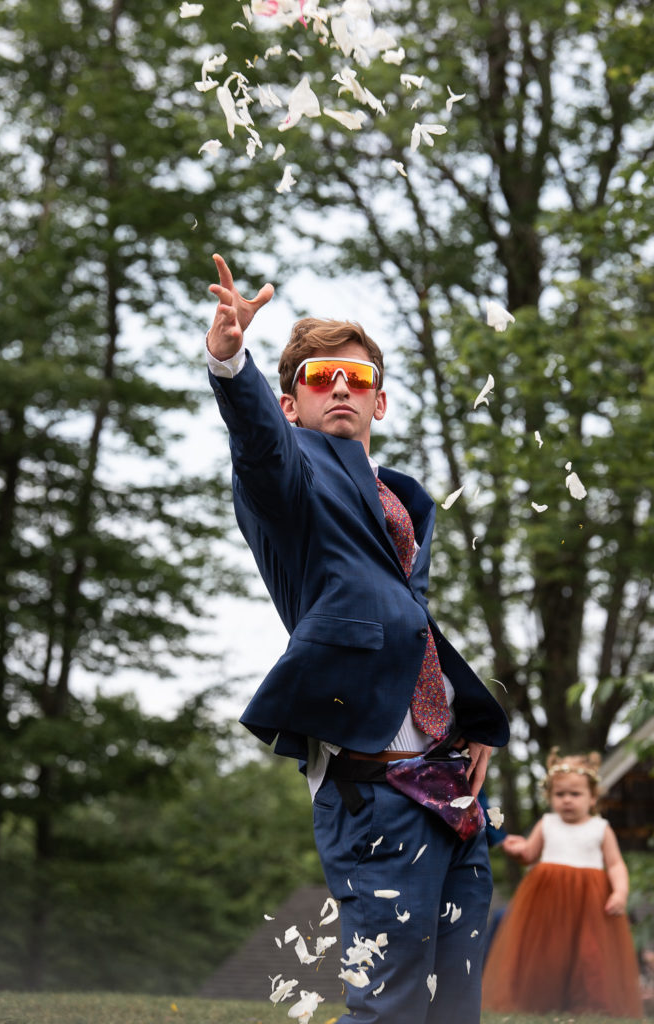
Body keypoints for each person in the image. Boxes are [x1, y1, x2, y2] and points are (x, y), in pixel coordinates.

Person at [206, 253, 509, 1023]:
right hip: (371, 787)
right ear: (290, 402)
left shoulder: (401, 500)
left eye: (357, 377)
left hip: (448, 787)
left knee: (452, 1002)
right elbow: (257, 445)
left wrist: (469, 721)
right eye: (318, 377)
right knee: (391, 1003)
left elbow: (410, 624)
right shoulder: (287, 479)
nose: (340, 385)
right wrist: (229, 361)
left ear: (379, 403)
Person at [482, 748, 643, 1018]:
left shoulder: (600, 828)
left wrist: (620, 892)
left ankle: (592, 1005)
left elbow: (615, 864)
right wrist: (516, 847)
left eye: (575, 794)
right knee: (547, 953)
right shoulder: (547, 824)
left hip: (590, 901)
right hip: (548, 900)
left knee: (589, 954)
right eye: (560, 794)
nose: (567, 800)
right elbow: (530, 854)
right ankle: (539, 1000)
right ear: (550, 796)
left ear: (593, 797)